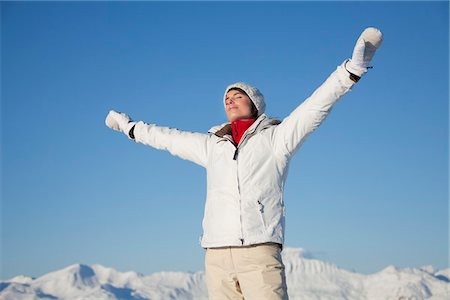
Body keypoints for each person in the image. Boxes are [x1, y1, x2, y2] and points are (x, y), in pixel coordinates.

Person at [105, 27, 383, 300]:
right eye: (227, 98)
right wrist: (130, 128)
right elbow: (168, 138)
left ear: (255, 105)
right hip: (216, 253)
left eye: (238, 96)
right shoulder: (212, 145)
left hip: (258, 250)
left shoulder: (276, 138)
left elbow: (314, 107)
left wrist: (350, 71)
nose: (230, 100)